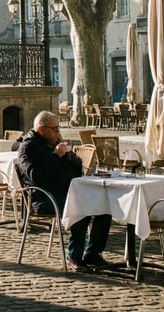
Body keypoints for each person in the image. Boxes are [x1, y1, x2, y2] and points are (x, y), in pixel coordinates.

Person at [17, 110, 112, 273]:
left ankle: (93, 253)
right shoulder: (28, 148)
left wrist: (69, 155)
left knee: (104, 206)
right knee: (80, 209)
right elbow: (37, 177)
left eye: (58, 128)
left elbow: (77, 170)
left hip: (67, 191)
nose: (58, 132)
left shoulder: (53, 142)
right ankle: (74, 256)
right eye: (54, 129)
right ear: (41, 130)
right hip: (44, 196)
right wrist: (56, 156)